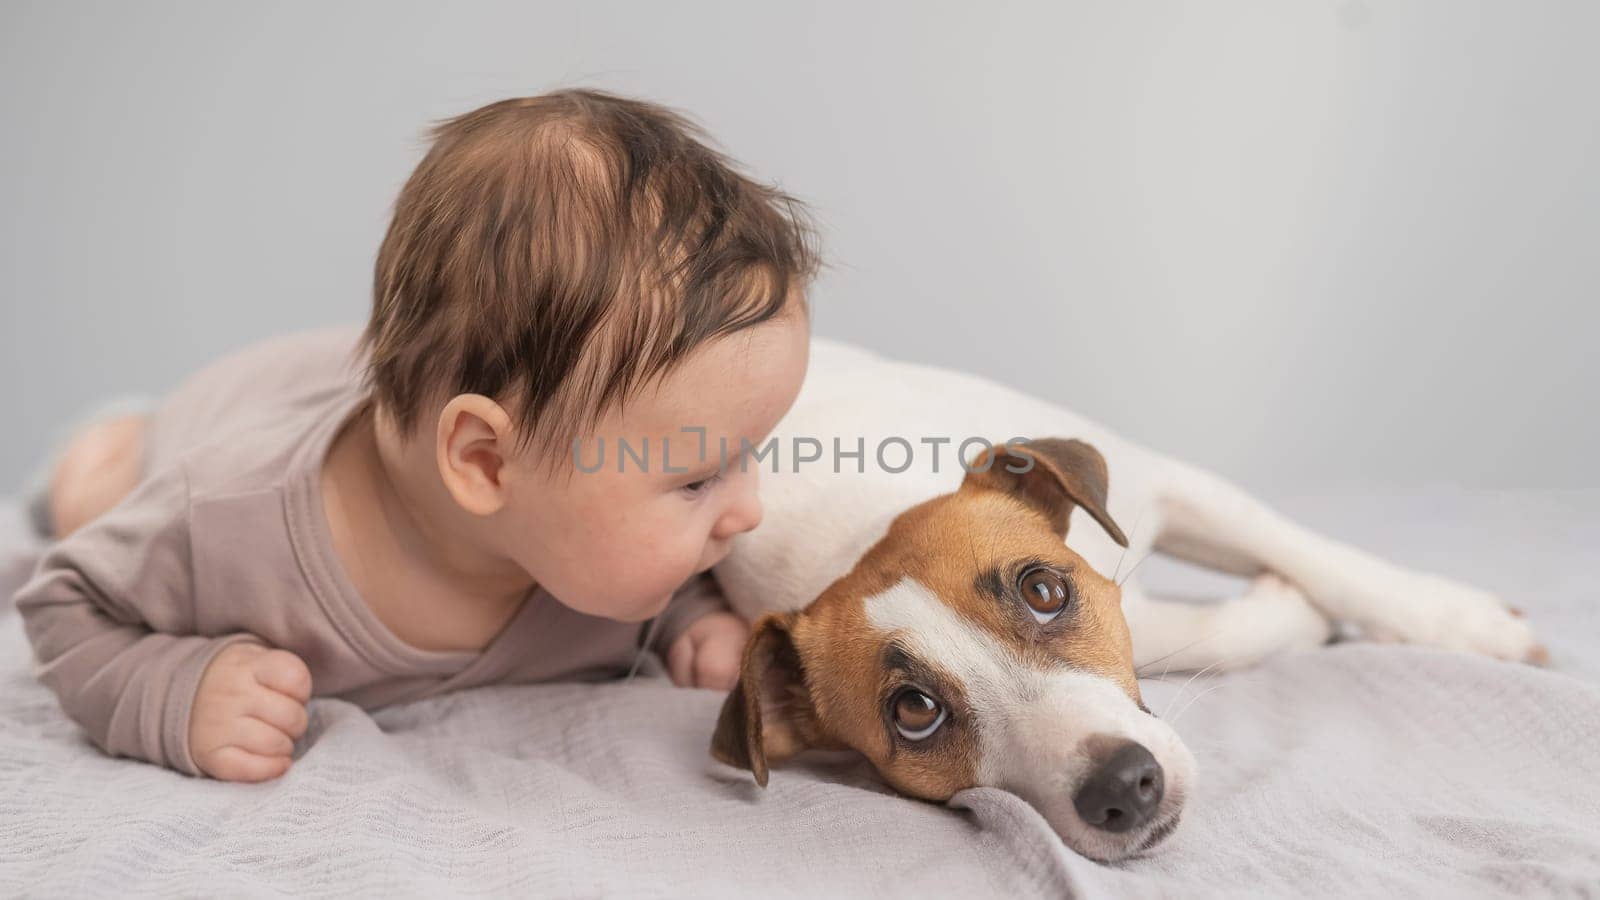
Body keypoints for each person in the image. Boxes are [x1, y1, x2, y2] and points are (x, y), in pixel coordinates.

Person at [14, 88, 819, 783]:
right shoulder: (229, 521)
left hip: (398, 390)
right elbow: (65, 603)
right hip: (232, 407)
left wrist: (694, 621)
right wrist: (170, 691)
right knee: (95, 492)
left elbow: (657, 559)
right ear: (485, 461)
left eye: (746, 456)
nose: (747, 509)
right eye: (695, 479)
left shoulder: (585, 524)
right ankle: (108, 438)